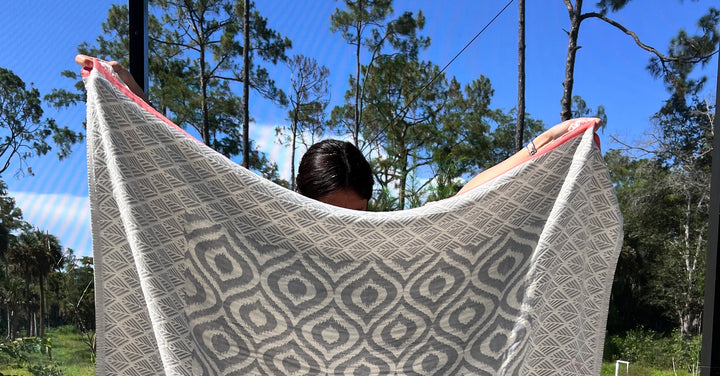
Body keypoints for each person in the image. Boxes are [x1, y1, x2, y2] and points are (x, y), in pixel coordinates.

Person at [76, 55, 600, 210]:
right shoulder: (272, 233)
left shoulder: (387, 242)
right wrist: (132, 102)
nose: (344, 228)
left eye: (357, 215)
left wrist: (542, 146)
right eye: (330, 213)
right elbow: (193, 175)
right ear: (302, 197)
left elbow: (464, 200)